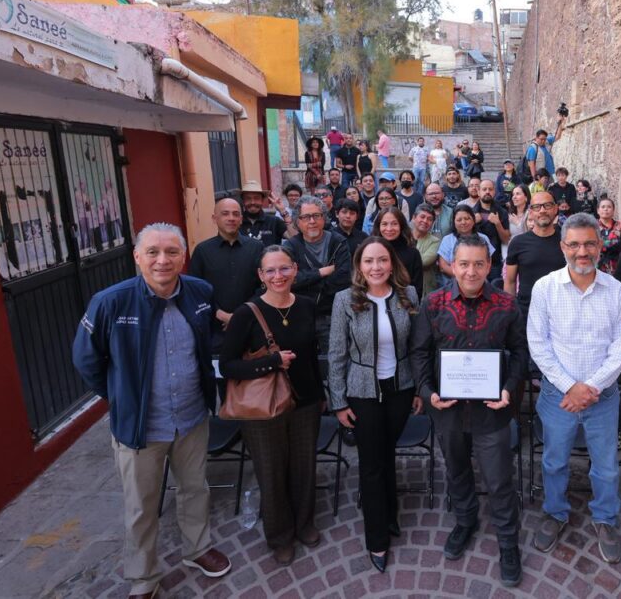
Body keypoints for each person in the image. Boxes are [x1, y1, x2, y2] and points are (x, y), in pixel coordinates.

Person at [73, 223, 231, 598]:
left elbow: (209, 338)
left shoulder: (200, 292)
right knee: (141, 507)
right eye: (153, 252)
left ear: (183, 256)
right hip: (140, 427)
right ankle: (144, 578)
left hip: (192, 417)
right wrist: (122, 397)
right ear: (137, 257)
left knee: (195, 488)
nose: (163, 260)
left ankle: (197, 548)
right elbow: (86, 360)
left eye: (172, 252)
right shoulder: (110, 302)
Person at [410, 235, 528, 586]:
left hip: (492, 411)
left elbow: (520, 353)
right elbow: (419, 352)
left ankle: (507, 541)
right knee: (457, 471)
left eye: (478, 264)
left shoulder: (507, 304)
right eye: (464, 264)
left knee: (499, 479)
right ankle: (465, 520)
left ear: (489, 265)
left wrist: (509, 389)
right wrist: (428, 392)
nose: (471, 271)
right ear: (452, 264)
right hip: (447, 409)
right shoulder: (434, 303)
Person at [527, 213, 621, 564]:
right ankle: (555, 512)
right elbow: (538, 344)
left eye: (589, 244)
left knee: (605, 465)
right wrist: (571, 387)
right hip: (558, 396)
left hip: (603, 398)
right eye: (574, 244)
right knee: (554, 461)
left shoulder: (617, 292)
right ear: (563, 247)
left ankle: (605, 518)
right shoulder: (545, 288)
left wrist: (591, 388)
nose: (582, 252)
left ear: (600, 246)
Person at [219, 246, 324, 565]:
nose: (278, 276)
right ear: (261, 276)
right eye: (271, 271)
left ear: (295, 270)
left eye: (284, 269)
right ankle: (280, 536)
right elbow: (227, 366)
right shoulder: (246, 313)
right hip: (263, 407)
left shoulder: (306, 305)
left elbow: (311, 354)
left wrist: (321, 396)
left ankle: (304, 524)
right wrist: (271, 362)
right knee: (271, 471)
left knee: (304, 467)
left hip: (305, 400)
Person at [328, 237, 421, 572]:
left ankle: (389, 513)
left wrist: (420, 389)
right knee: (371, 463)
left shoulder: (409, 294)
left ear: (392, 262)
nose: (376, 267)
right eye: (368, 261)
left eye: (382, 260)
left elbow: (418, 346)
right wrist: (338, 402)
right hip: (362, 392)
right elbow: (336, 353)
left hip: (400, 389)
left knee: (386, 454)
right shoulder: (344, 300)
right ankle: (377, 538)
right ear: (359, 265)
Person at [188, 197, 264, 349]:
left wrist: (242, 314)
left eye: (236, 214)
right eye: (225, 214)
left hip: (252, 322)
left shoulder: (257, 247)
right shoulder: (202, 251)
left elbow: (264, 285)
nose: (231, 218)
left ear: (241, 219)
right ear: (214, 218)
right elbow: (195, 290)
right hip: (216, 328)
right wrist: (219, 313)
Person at [282, 196, 351, 356]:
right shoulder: (291, 246)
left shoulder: (338, 242)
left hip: (332, 315)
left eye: (316, 215)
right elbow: (288, 279)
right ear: (297, 221)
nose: (312, 221)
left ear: (324, 218)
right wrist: (321, 272)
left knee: (334, 359)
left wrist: (308, 286)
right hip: (300, 315)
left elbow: (343, 279)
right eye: (306, 217)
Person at [504, 191, 565, 318]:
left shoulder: (567, 242)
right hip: (526, 312)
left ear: (555, 209)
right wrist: (510, 313)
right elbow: (510, 282)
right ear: (530, 212)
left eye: (547, 205)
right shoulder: (518, 243)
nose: (542, 210)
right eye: (537, 207)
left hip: (561, 312)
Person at [371, 206, 425, 300]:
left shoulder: (413, 254)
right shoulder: (370, 252)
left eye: (394, 224)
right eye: (384, 224)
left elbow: (417, 290)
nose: (389, 228)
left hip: (404, 304)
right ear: (378, 226)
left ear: (401, 226)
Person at [437, 206, 494, 282]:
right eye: (459, 220)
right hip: (452, 282)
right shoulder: (447, 240)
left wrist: (474, 277)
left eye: (467, 219)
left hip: (479, 280)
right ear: (454, 222)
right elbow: (443, 266)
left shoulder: (483, 238)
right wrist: (463, 277)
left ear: (473, 220)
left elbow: (488, 262)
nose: (463, 222)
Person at [470, 179, 509, 281]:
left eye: (490, 189)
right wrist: (473, 223)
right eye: (484, 189)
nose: (487, 191)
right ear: (479, 192)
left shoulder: (502, 212)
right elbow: (463, 236)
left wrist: (498, 224)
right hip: (474, 260)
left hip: (494, 262)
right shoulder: (470, 213)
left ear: (494, 192)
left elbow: (506, 239)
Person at [240, 180, 287, 248]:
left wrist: (283, 211)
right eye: (248, 198)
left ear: (262, 200)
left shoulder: (274, 221)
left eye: (256, 198)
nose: (252, 202)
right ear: (243, 201)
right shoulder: (236, 223)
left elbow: (293, 237)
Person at [410, 203, 442, 295]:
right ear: (414, 218)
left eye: (429, 219)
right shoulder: (403, 237)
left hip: (425, 289)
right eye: (422, 217)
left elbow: (423, 262)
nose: (425, 221)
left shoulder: (435, 241)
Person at [597, 197, 621, 274]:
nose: (606, 209)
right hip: (598, 267)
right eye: (603, 207)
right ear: (598, 210)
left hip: (617, 266)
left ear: (613, 210)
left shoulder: (620, 226)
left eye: (609, 207)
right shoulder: (593, 227)